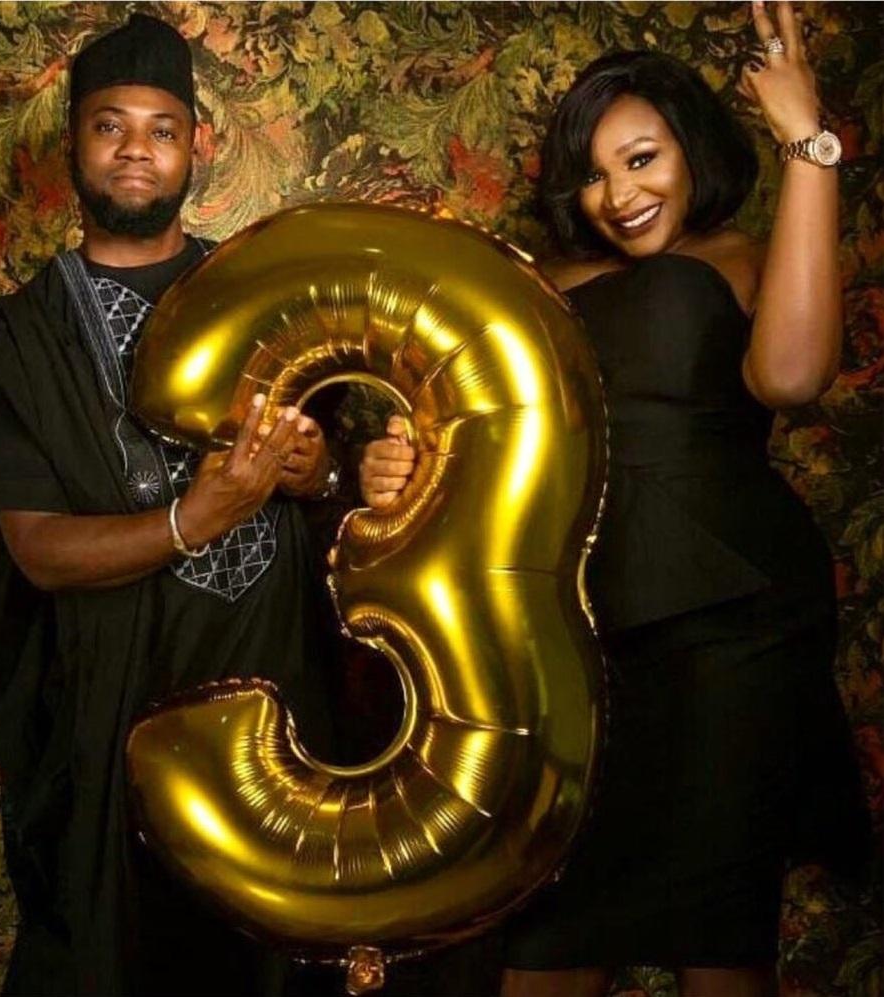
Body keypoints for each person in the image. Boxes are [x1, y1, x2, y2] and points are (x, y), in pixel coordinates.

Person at [361, 4, 868, 996]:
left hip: (733, 635)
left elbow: (793, 375)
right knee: (549, 951)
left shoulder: (733, 258)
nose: (618, 194)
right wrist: (402, 468)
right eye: (593, 174)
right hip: (578, 649)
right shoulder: (539, 286)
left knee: (719, 953)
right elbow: (482, 447)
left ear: (691, 149)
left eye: (642, 159)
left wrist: (809, 147)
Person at [0, 14, 341, 996]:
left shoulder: (267, 291)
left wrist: (316, 470)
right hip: (110, 722)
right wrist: (193, 518)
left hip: (277, 708)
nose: (134, 149)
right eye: (109, 126)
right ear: (71, 145)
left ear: (199, 146)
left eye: (160, 128)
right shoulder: (20, 339)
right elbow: (34, 551)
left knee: (276, 966)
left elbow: (356, 484)